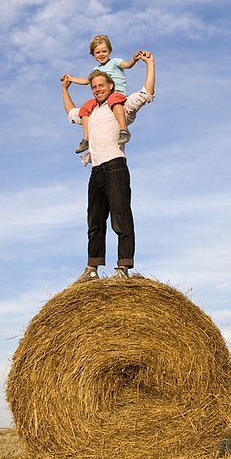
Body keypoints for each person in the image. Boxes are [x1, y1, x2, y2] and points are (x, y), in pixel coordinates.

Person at [61, 52, 155, 283]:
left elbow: (146, 93)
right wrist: (65, 89)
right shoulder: (91, 111)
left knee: (121, 218)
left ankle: (123, 267)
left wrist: (150, 64)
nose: (97, 89)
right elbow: (71, 112)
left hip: (115, 167)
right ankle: (92, 268)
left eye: (101, 85)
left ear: (111, 85)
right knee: (94, 221)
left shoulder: (120, 106)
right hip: (96, 170)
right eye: (94, 86)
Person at [61, 35, 142, 154]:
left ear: (109, 51)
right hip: (102, 98)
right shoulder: (96, 69)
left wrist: (134, 59)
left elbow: (127, 65)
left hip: (116, 94)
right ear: (93, 55)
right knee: (86, 107)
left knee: (114, 100)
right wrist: (72, 79)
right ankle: (86, 139)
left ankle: (123, 130)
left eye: (104, 51)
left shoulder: (115, 62)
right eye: (97, 52)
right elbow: (86, 81)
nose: (101, 54)